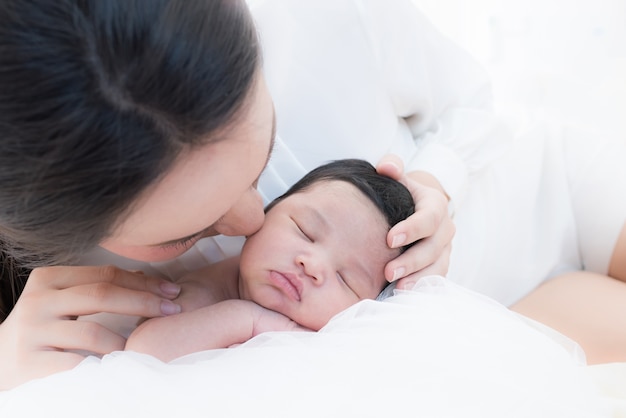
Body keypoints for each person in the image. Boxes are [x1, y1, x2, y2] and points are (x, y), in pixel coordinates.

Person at [0, 0, 623, 390]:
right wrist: (17, 379)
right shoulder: (74, 301)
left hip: (536, 201)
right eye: (184, 234)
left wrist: (436, 183)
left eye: (264, 150)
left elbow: (471, 106)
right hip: (493, 337)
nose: (254, 218)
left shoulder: (319, 15)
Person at [125, 159, 416, 361]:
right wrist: (248, 320)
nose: (312, 265)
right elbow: (140, 354)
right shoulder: (201, 294)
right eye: (305, 231)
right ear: (269, 210)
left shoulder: (338, 341)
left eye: (345, 278)